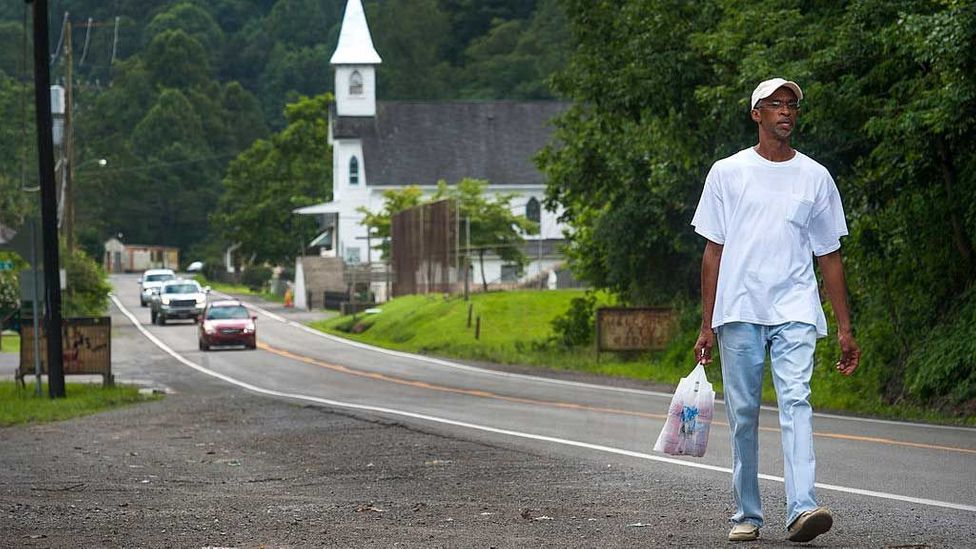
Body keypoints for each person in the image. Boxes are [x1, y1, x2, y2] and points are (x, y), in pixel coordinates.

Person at [690, 78, 861, 543]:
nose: (785, 111)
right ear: (757, 115)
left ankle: (803, 507)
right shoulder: (727, 172)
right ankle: (747, 513)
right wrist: (706, 325)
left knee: (796, 401)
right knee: (743, 413)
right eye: (775, 105)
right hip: (740, 308)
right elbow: (713, 251)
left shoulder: (816, 176)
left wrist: (845, 328)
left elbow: (829, 255)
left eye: (792, 105)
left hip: (796, 308)